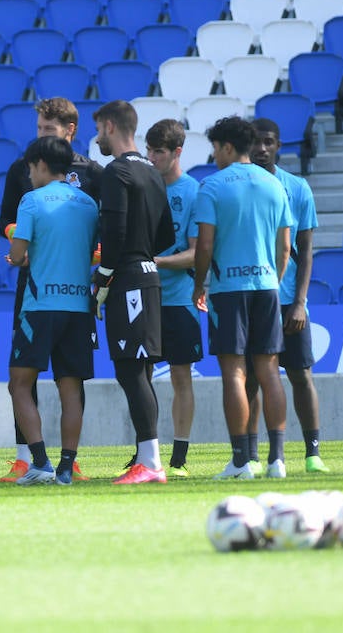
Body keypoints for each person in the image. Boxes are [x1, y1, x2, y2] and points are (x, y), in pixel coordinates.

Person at [0, 97, 104, 482]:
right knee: (71, 387)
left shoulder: (33, 198)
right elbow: (99, 246)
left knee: (19, 382)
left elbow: (17, 249)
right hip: (79, 303)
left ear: (41, 166)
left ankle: (39, 461)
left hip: (39, 303)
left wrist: (19, 252)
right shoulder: (89, 202)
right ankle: (65, 465)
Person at [191, 116, 293, 481]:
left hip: (227, 290)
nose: (214, 155)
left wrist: (199, 283)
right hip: (266, 286)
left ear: (227, 147)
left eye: (215, 148)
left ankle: (240, 462)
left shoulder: (212, 186)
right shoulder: (275, 184)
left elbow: (204, 244)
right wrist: (275, 281)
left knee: (234, 372)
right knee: (269, 370)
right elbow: (285, 247)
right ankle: (277, 460)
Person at [91, 100, 175, 485]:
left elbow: (114, 231)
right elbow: (166, 236)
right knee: (139, 370)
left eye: (98, 130)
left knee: (130, 370)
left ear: (110, 126)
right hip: (149, 273)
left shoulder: (117, 172)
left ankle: (151, 462)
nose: (97, 139)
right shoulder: (153, 171)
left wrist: (104, 277)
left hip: (127, 280)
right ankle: (147, 457)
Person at [246, 118, 329, 475]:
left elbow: (306, 251)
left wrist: (300, 302)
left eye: (268, 142)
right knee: (250, 379)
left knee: (300, 374)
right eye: (255, 142)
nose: (261, 149)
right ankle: (248, 456)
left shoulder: (297, 188)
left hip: (288, 300)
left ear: (279, 145)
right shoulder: (240, 188)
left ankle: (312, 454)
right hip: (251, 296)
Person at [146, 119, 203, 478]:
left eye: (159, 152)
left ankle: (179, 459)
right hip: (145, 299)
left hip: (179, 299)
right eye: (149, 150)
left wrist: (157, 262)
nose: (151, 158)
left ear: (177, 152)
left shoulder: (193, 191)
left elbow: (197, 254)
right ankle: (146, 455)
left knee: (182, 378)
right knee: (141, 378)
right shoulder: (142, 185)